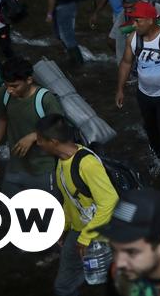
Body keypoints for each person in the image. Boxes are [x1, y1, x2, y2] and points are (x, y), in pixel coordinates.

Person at [35, 113, 118, 296]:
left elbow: (109, 201)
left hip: (97, 232)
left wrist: (86, 238)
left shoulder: (86, 164)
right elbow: (71, 199)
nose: (38, 143)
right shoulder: (62, 161)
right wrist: (61, 226)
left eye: (40, 140)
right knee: (64, 287)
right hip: (79, 230)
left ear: (54, 141)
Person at [115, 1, 160, 166]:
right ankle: (158, 158)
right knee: (150, 128)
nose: (133, 24)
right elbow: (126, 63)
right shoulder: (133, 39)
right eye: (133, 20)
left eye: (137, 21)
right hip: (144, 93)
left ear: (150, 20)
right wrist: (120, 89)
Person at [0, 57, 64, 194]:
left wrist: (34, 135)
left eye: (14, 86)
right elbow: (3, 119)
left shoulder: (45, 99)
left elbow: (59, 126)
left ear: (29, 80)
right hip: (16, 166)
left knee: (52, 210)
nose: (9, 90)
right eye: (6, 85)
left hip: (44, 167)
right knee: (10, 206)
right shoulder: (3, 94)